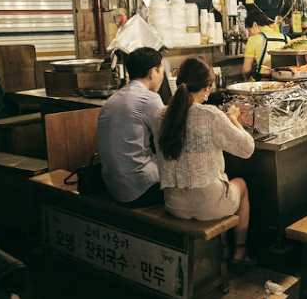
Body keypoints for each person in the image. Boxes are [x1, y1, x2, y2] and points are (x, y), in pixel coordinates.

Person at [154, 56, 255, 265]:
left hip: (174, 204)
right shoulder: (210, 115)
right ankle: (240, 252)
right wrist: (233, 118)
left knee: (219, 186)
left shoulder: (159, 116)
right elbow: (247, 148)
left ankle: (223, 248)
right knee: (240, 185)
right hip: (208, 205)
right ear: (208, 88)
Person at [97, 47, 166, 205]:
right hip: (141, 189)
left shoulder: (112, 100)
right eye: (162, 71)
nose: (162, 77)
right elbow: (169, 138)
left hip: (114, 188)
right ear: (152, 72)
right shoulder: (149, 98)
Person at [242, 10, 289, 81]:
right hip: (286, 80)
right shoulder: (286, 38)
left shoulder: (253, 39)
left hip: (265, 82)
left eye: (249, 31)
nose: (250, 34)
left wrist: (246, 78)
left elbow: (246, 69)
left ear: (255, 24)